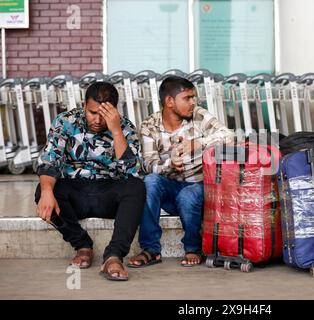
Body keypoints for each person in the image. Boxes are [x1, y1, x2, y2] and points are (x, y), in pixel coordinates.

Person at [35, 81, 145, 281]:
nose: (97, 120)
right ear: (84, 106)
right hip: (75, 192)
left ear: (113, 110)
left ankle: (113, 256)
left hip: (109, 194)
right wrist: (46, 192)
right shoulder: (65, 121)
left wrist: (116, 130)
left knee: (136, 187)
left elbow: (133, 170)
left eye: (103, 114)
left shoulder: (125, 127)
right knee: (45, 189)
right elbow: (49, 160)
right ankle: (82, 246)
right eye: (92, 112)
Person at [128, 76, 234, 268]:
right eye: (187, 98)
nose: (193, 102)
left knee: (188, 194)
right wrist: (169, 164)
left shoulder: (199, 116)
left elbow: (229, 136)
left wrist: (198, 143)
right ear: (169, 101)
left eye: (193, 97)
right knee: (150, 181)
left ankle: (193, 248)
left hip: (199, 188)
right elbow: (147, 163)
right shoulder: (150, 125)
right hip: (170, 187)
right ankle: (151, 250)